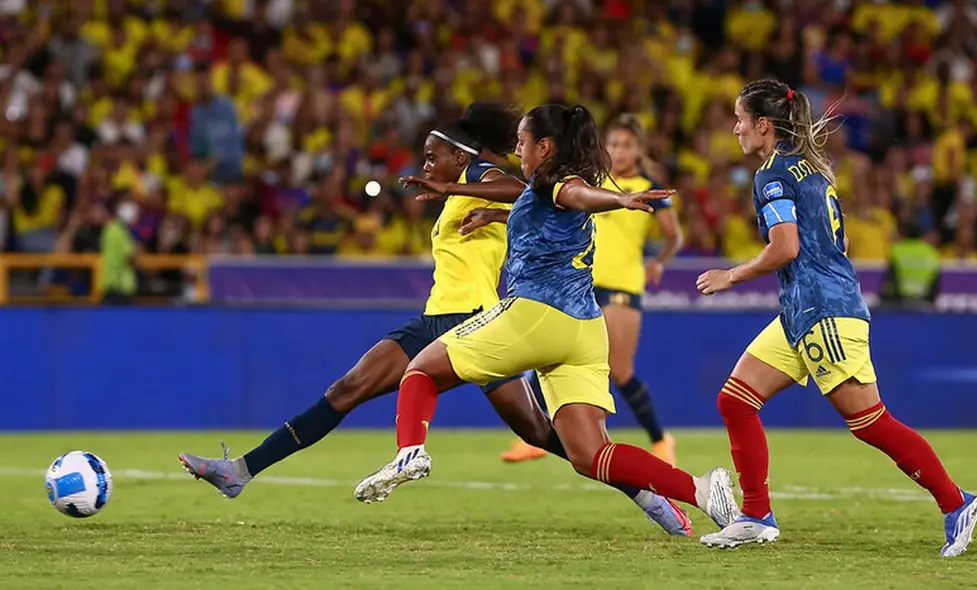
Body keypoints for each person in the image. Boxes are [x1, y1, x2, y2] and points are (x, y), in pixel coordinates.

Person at [179, 103, 693, 536]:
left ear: (460, 155)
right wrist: (475, 207)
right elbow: (522, 202)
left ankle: (384, 456)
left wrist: (461, 192)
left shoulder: (482, 176)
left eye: (434, 155)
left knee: (521, 426)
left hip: (476, 319)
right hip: (442, 318)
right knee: (525, 429)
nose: (427, 163)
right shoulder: (473, 191)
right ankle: (242, 470)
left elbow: (525, 188)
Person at [353, 104, 739, 532]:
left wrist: (618, 200)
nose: (516, 150)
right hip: (585, 330)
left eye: (522, 142)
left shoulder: (556, 180)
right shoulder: (541, 186)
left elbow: (574, 195)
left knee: (421, 370)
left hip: (537, 315)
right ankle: (704, 490)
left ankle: (411, 452)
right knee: (591, 455)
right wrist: (483, 207)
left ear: (545, 146)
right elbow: (540, 202)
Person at [695, 80, 977, 556]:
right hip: (803, 309)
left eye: (740, 120)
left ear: (763, 125)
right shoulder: (813, 169)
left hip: (823, 311)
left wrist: (733, 275)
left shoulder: (772, 175)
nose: (735, 128)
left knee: (870, 422)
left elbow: (785, 246)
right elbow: (837, 244)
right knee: (736, 400)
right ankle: (755, 515)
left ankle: (957, 503)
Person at [500, 114, 684, 464]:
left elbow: (675, 237)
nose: (619, 150)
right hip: (578, 283)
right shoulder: (589, 184)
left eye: (628, 145)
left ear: (640, 150)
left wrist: (659, 260)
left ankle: (661, 440)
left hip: (621, 285)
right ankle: (536, 436)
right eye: (613, 144)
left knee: (620, 369)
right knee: (546, 356)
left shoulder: (648, 188)